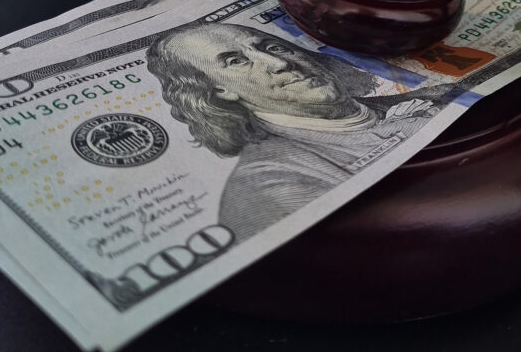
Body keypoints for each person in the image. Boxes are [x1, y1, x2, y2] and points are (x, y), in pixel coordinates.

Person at [145, 22, 439, 240]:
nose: (279, 62)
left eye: (272, 47)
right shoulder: (270, 183)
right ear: (218, 91)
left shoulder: (439, 97)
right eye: (235, 61)